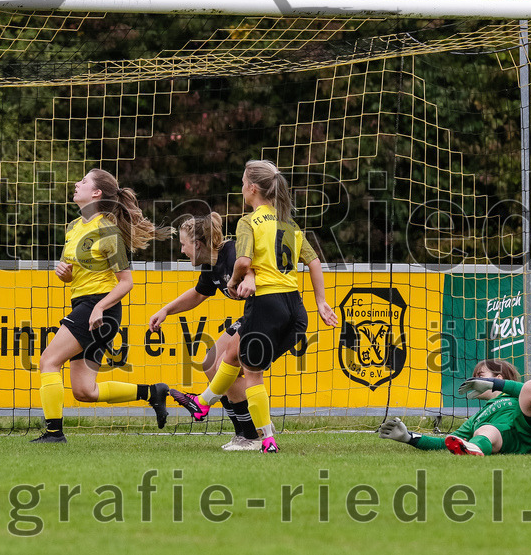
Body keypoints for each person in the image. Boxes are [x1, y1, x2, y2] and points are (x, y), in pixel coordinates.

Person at [171, 159, 340, 453]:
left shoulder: (249, 222)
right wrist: (321, 302)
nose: (241, 190)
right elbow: (313, 261)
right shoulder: (290, 224)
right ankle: (202, 403)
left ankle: (265, 439)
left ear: (252, 189)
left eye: (241, 184)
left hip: (266, 304)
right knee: (232, 355)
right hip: (296, 310)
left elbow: (243, 261)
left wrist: (236, 280)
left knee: (252, 374)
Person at [32, 168, 173, 443]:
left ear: (96, 193)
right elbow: (80, 274)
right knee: (85, 391)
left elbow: (126, 282)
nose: (76, 183)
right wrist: (67, 275)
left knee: (48, 361)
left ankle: (53, 433)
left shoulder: (107, 231)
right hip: (86, 306)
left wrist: (99, 308)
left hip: (99, 310)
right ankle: (153, 392)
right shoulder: (73, 227)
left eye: (83, 181)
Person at [148, 212, 260, 451]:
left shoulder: (231, 252)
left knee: (224, 368)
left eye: (183, 244)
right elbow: (199, 294)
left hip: (267, 315)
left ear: (197, 244)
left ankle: (253, 433)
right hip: (251, 315)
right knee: (210, 363)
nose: (182, 250)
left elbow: (250, 267)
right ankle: (242, 433)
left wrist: (249, 276)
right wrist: (166, 310)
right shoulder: (211, 266)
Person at [377, 358, 531, 456]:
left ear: (498, 378)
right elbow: (447, 442)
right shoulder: (477, 418)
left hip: (529, 431)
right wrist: (408, 438)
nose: (473, 380)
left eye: (480, 376)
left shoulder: (514, 393)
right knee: (484, 431)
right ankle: (476, 448)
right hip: (499, 441)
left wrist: (496, 385)